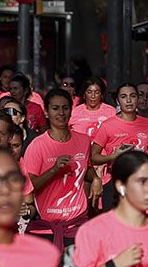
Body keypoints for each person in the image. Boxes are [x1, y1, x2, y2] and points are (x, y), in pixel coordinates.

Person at [21, 88, 94, 251]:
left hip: (76, 224)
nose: (61, 113)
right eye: (55, 108)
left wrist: (95, 179)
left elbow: (86, 169)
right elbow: (29, 186)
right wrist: (54, 170)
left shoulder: (83, 140)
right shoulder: (37, 145)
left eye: (65, 108)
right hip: (46, 227)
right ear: (46, 112)